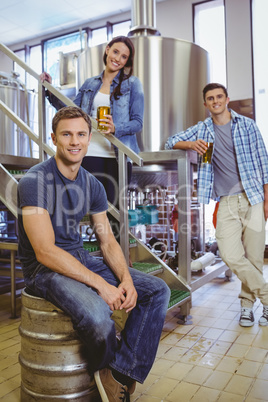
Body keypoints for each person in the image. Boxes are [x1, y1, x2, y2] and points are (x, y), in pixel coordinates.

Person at [17, 106, 170, 401]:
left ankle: (118, 373)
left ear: (89, 139)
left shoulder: (92, 183)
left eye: (81, 134)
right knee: (100, 316)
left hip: (79, 258)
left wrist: (124, 278)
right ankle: (107, 367)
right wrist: (102, 285)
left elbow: (107, 241)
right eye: (67, 134)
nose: (74, 141)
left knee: (156, 291)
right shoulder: (35, 182)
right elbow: (45, 251)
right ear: (54, 138)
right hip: (43, 271)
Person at [165, 82, 268, 328]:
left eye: (219, 97)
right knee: (231, 254)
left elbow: (264, 161)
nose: (215, 101)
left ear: (227, 99)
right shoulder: (202, 129)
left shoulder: (247, 125)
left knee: (254, 256)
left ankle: (247, 307)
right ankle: (266, 296)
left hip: (253, 197)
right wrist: (191, 145)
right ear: (206, 104)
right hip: (226, 201)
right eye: (210, 98)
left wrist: (266, 199)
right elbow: (171, 141)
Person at [40, 35, 144, 238]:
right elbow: (71, 110)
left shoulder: (132, 84)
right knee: (95, 207)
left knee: (115, 208)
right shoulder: (90, 83)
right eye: (115, 52)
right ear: (107, 50)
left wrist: (116, 128)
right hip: (91, 153)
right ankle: (96, 254)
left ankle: (120, 256)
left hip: (118, 155)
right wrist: (51, 92)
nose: (118, 59)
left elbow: (138, 122)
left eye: (124, 57)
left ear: (127, 61)